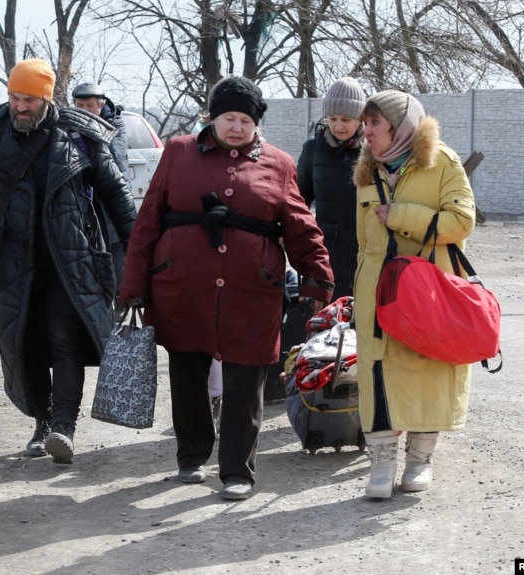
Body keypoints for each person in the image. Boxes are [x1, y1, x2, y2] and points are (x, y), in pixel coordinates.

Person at [119, 76, 333, 500]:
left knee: (245, 382)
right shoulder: (178, 153)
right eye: (228, 118)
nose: (237, 127)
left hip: (252, 289)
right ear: (212, 118)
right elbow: (147, 222)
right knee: (186, 373)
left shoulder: (279, 163)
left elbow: (300, 227)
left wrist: (316, 279)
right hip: (182, 285)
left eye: (245, 120)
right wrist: (133, 285)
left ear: (257, 124)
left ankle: (237, 470)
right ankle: (193, 454)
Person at [0, 59, 137, 465]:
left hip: (70, 259)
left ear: (46, 98)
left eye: (29, 99)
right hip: (12, 260)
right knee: (23, 345)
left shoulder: (79, 135)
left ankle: (64, 426)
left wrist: (137, 248)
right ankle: (42, 424)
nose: (20, 106)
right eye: (14, 97)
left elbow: (118, 196)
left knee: (64, 341)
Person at [352, 90, 476, 498]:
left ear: (400, 127)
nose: (366, 132)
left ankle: (419, 462)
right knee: (378, 374)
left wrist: (401, 216)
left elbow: (461, 222)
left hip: (428, 292)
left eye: (375, 123)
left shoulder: (442, 162)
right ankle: (382, 466)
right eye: (365, 123)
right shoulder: (366, 171)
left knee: (427, 372)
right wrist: (356, 292)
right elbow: (362, 242)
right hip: (377, 292)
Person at [298, 76, 367, 301]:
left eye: (346, 119)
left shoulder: (375, 154)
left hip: (367, 254)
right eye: (332, 118)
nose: (338, 126)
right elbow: (299, 201)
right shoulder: (312, 152)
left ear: (360, 119)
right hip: (326, 255)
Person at [71, 82, 130, 318]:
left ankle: (121, 301)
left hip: (110, 198)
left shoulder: (115, 125)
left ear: (101, 105)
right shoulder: (68, 125)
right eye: (79, 105)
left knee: (115, 251)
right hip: (83, 199)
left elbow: (111, 158)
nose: (84, 110)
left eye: (90, 106)